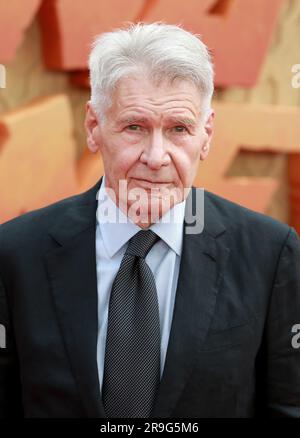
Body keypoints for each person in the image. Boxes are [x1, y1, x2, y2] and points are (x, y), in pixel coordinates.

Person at [0, 22, 299, 419]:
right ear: (94, 126)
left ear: (206, 135)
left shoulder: (270, 253)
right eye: (135, 127)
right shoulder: (15, 253)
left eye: (179, 129)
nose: (156, 157)